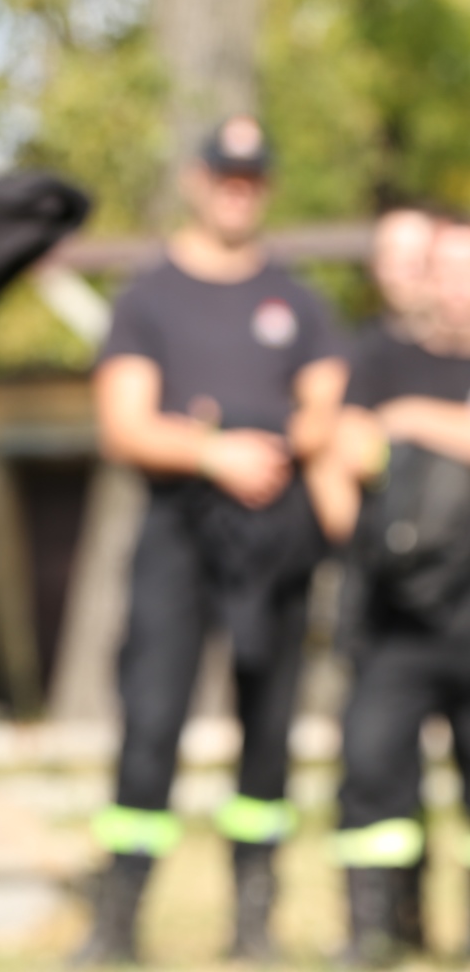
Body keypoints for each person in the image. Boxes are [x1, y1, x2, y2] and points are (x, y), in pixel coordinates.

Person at [79, 115, 348, 963]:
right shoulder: (150, 297)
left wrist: (270, 448)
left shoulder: (299, 299)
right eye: (226, 174)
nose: (240, 189)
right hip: (180, 531)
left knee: (270, 726)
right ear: (198, 180)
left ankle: (255, 921)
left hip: (278, 532)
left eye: (253, 177)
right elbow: (125, 424)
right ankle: (119, 921)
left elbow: (327, 404)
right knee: (152, 721)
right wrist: (211, 450)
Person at [312, 216, 470, 964]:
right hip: (394, 616)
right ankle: (378, 929)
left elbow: (385, 431)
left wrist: (411, 421)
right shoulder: (377, 356)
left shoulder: (404, 392)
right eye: (443, 269)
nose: (453, 284)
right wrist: (368, 541)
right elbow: (343, 451)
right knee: (374, 775)